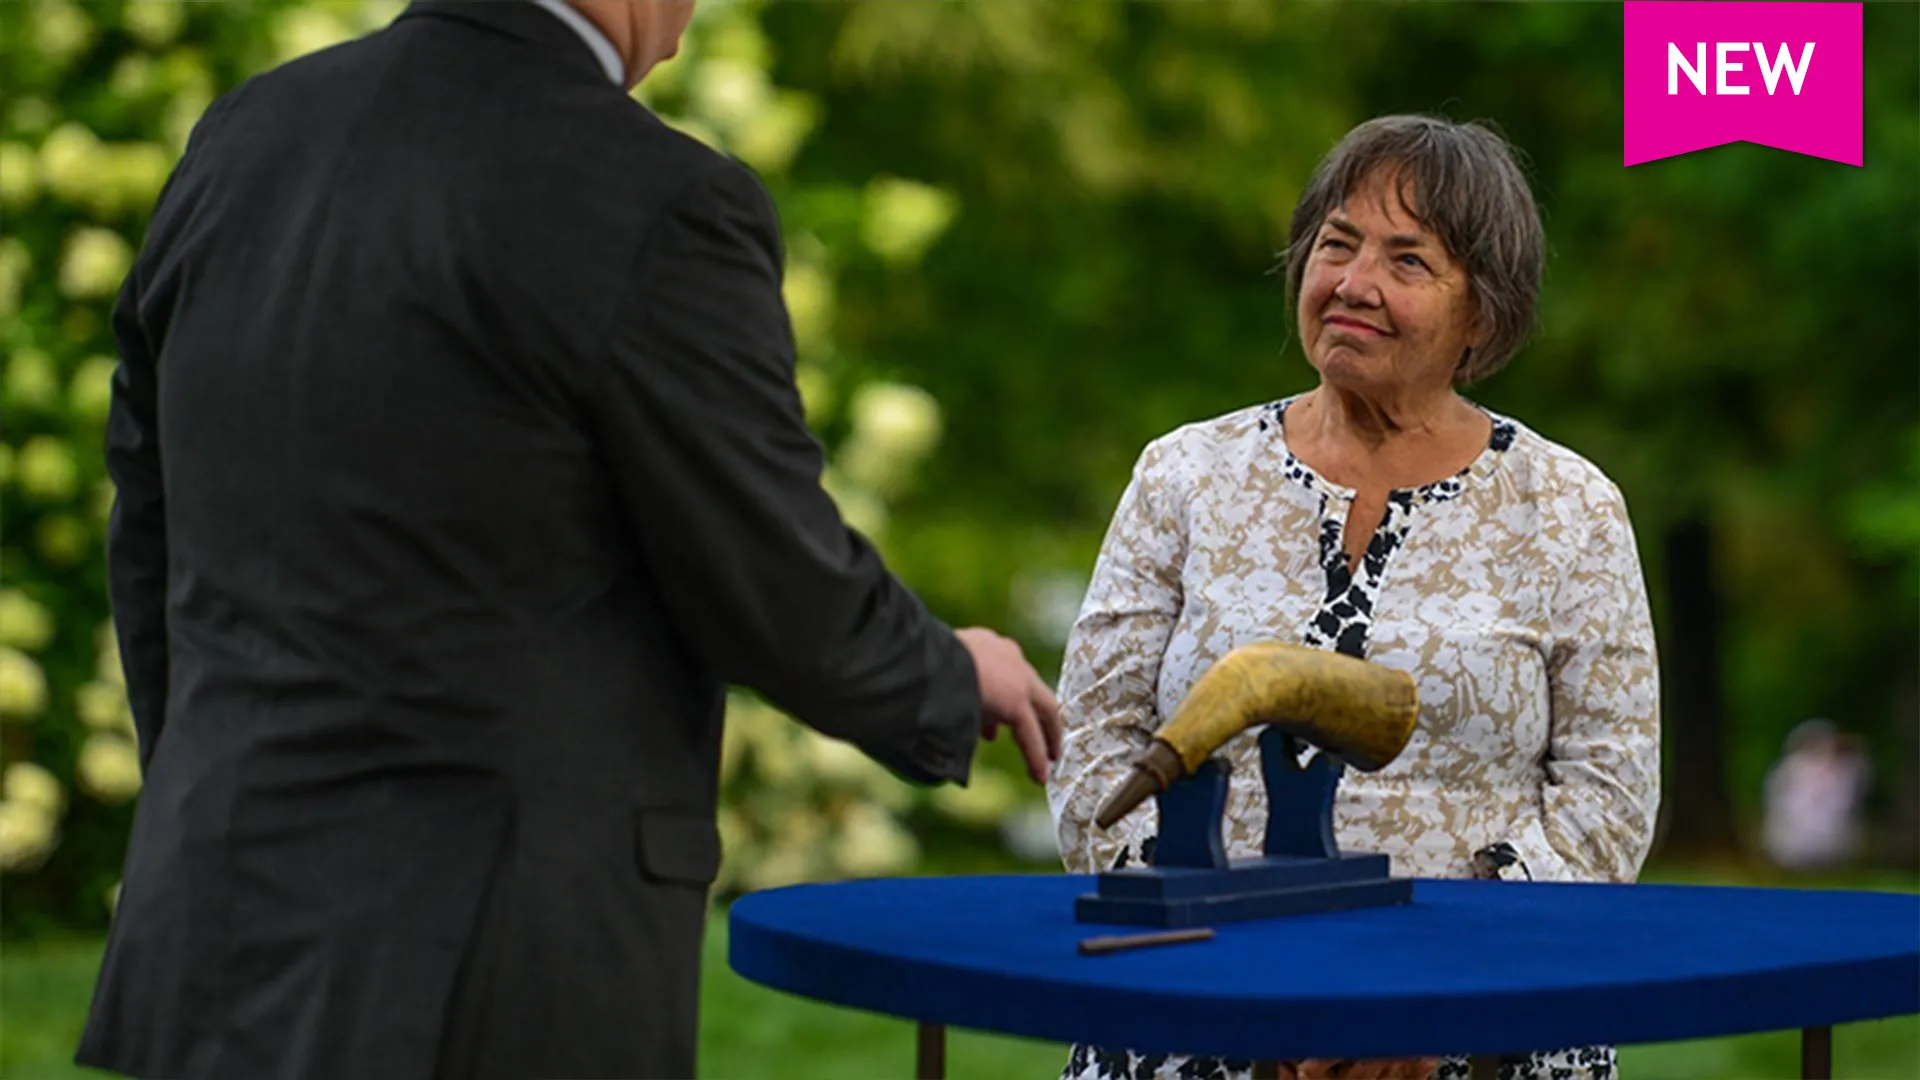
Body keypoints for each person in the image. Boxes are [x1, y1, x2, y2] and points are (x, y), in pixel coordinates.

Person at [78, 3, 1062, 1079]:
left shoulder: (245, 134)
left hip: (210, 921)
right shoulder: (656, 198)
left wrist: (201, 779)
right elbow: (766, 570)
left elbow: (151, 512)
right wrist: (947, 673)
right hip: (487, 971)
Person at [1046, 115, 1661, 1080]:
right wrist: (1218, 962)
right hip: (1195, 1004)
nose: (1353, 284)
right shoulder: (1185, 474)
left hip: (1474, 1028)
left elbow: (1608, 800)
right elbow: (1094, 749)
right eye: (1336, 244)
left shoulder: (1571, 507)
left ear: (1483, 318)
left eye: (1407, 261)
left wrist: (1432, 1004)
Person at [1761, 720, 1871, 873]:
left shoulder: (1842, 769)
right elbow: (1779, 799)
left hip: (1830, 833)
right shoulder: (1792, 767)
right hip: (1796, 831)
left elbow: (1852, 788)